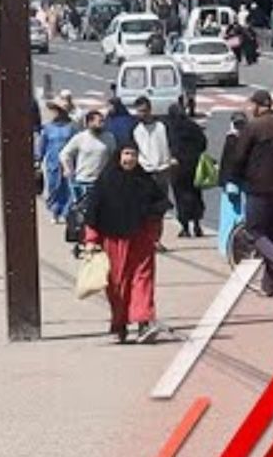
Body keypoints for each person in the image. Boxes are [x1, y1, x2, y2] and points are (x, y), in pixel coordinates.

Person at [82, 145, 171, 344]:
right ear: (118, 156)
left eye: (133, 154)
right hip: (113, 241)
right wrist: (91, 241)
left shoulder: (145, 181)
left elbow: (158, 206)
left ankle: (143, 322)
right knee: (117, 284)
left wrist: (153, 234)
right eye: (126, 154)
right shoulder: (105, 182)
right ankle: (119, 324)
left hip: (140, 239)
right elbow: (93, 213)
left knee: (143, 279)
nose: (130, 158)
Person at [230, 90, 273, 297]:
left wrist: (235, 179)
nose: (249, 109)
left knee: (255, 230)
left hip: (259, 188)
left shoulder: (253, 128)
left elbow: (238, 157)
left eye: (251, 105)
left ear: (259, 106)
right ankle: (270, 285)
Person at [165, 104, 208, 238]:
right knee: (195, 194)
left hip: (177, 167)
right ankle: (197, 224)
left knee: (180, 196)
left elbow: (167, 145)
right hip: (194, 165)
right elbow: (203, 143)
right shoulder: (193, 126)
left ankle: (185, 227)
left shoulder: (170, 128)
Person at [59, 110, 116, 202]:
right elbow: (64, 154)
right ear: (90, 122)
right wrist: (68, 168)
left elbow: (114, 157)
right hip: (83, 180)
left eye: (103, 121)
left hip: (101, 182)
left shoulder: (109, 137)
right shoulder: (80, 137)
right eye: (99, 121)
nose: (102, 124)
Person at [38, 100, 76, 223]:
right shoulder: (48, 128)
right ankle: (54, 211)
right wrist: (38, 159)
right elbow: (42, 144)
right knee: (54, 186)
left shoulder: (72, 127)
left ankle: (66, 212)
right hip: (52, 162)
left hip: (69, 162)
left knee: (67, 187)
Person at [131, 97, 175, 204]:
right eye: (139, 111)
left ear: (150, 110)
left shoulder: (163, 125)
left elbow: (172, 142)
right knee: (145, 202)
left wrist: (173, 158)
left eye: (144, 110)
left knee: (162, 201)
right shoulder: (135, 128)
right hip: (145, 170)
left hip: (163, 169)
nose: (142, 114)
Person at [217, 113, 248, 256]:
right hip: (234, 183)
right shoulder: (233, 139)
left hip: (231, 183)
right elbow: (231, 164)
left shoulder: (233, 138)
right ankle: (229, 247)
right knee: (235, 215)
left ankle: (228, 246)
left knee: (233, 215)